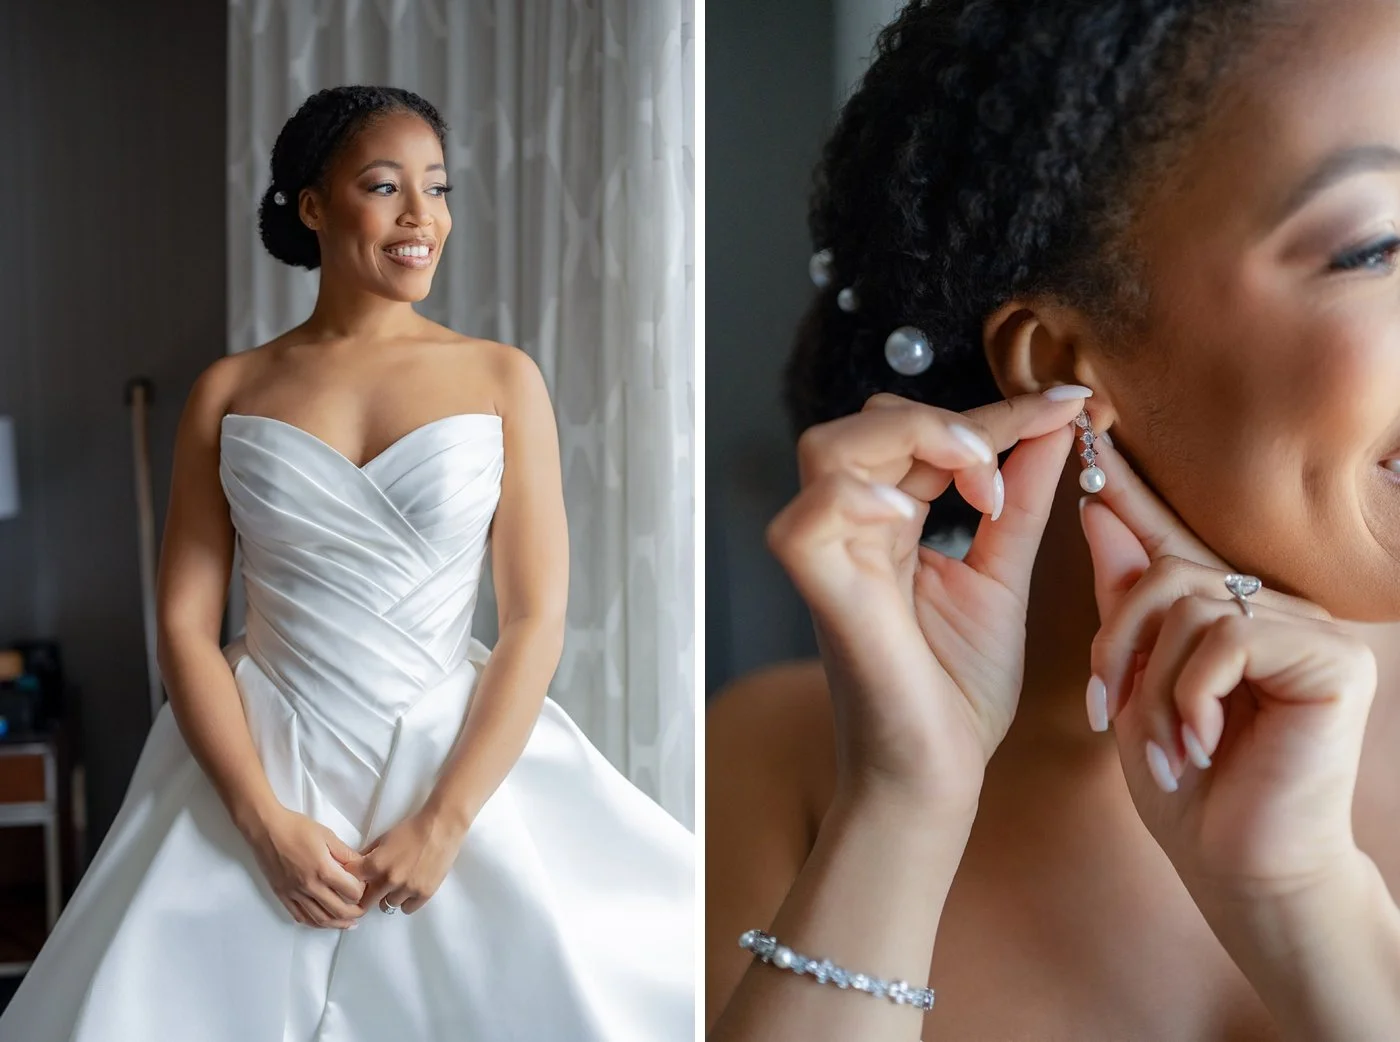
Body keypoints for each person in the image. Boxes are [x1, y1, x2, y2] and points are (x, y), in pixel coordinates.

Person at [706, 1, 1400, 1038]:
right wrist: (903, 805)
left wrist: (1309, 906)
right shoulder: (780, 767)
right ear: (1059, 366)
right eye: (1377, 246)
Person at [0, 85, 693, 1042]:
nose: (423, 217)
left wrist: (446, 822)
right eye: (385, 186)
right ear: (313, 206)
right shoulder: (230, 389)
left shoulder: (501, 378)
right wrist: (260, 821)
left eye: (439, 188)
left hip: (453, 763)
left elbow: (534, 618)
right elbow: (183, 628)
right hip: (260, 762)